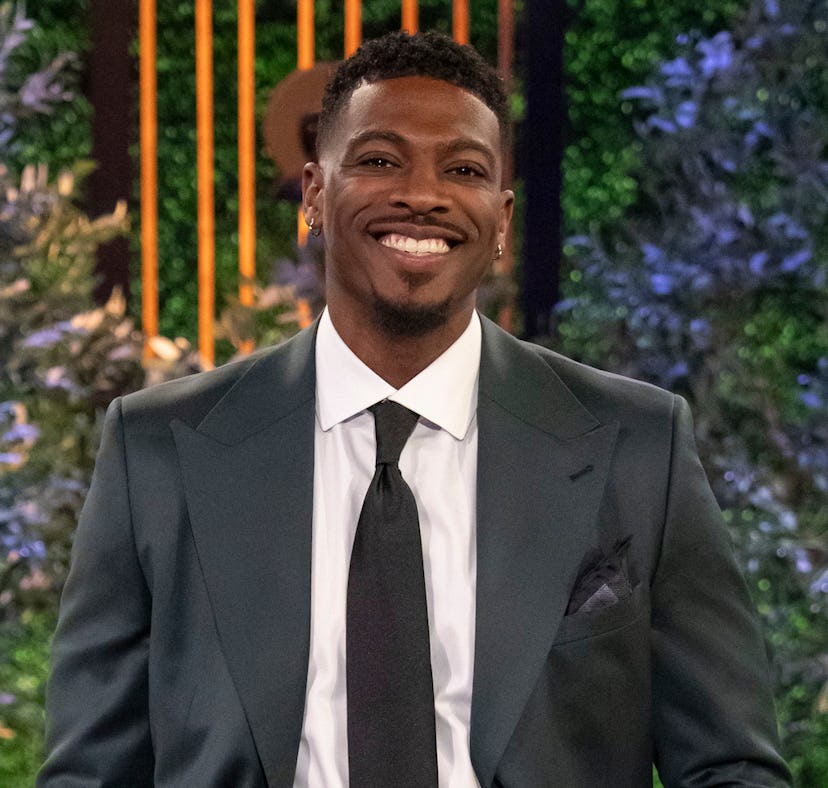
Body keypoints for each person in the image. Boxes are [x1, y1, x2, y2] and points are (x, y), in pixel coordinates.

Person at [39, 31, 790, 787]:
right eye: (379, 160)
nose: (422, 195)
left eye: (461, 169)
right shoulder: (156, 449)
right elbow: (90, 772)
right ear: (314, 194)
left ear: (499, 220)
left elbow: (731, 767)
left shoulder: (639, 446)